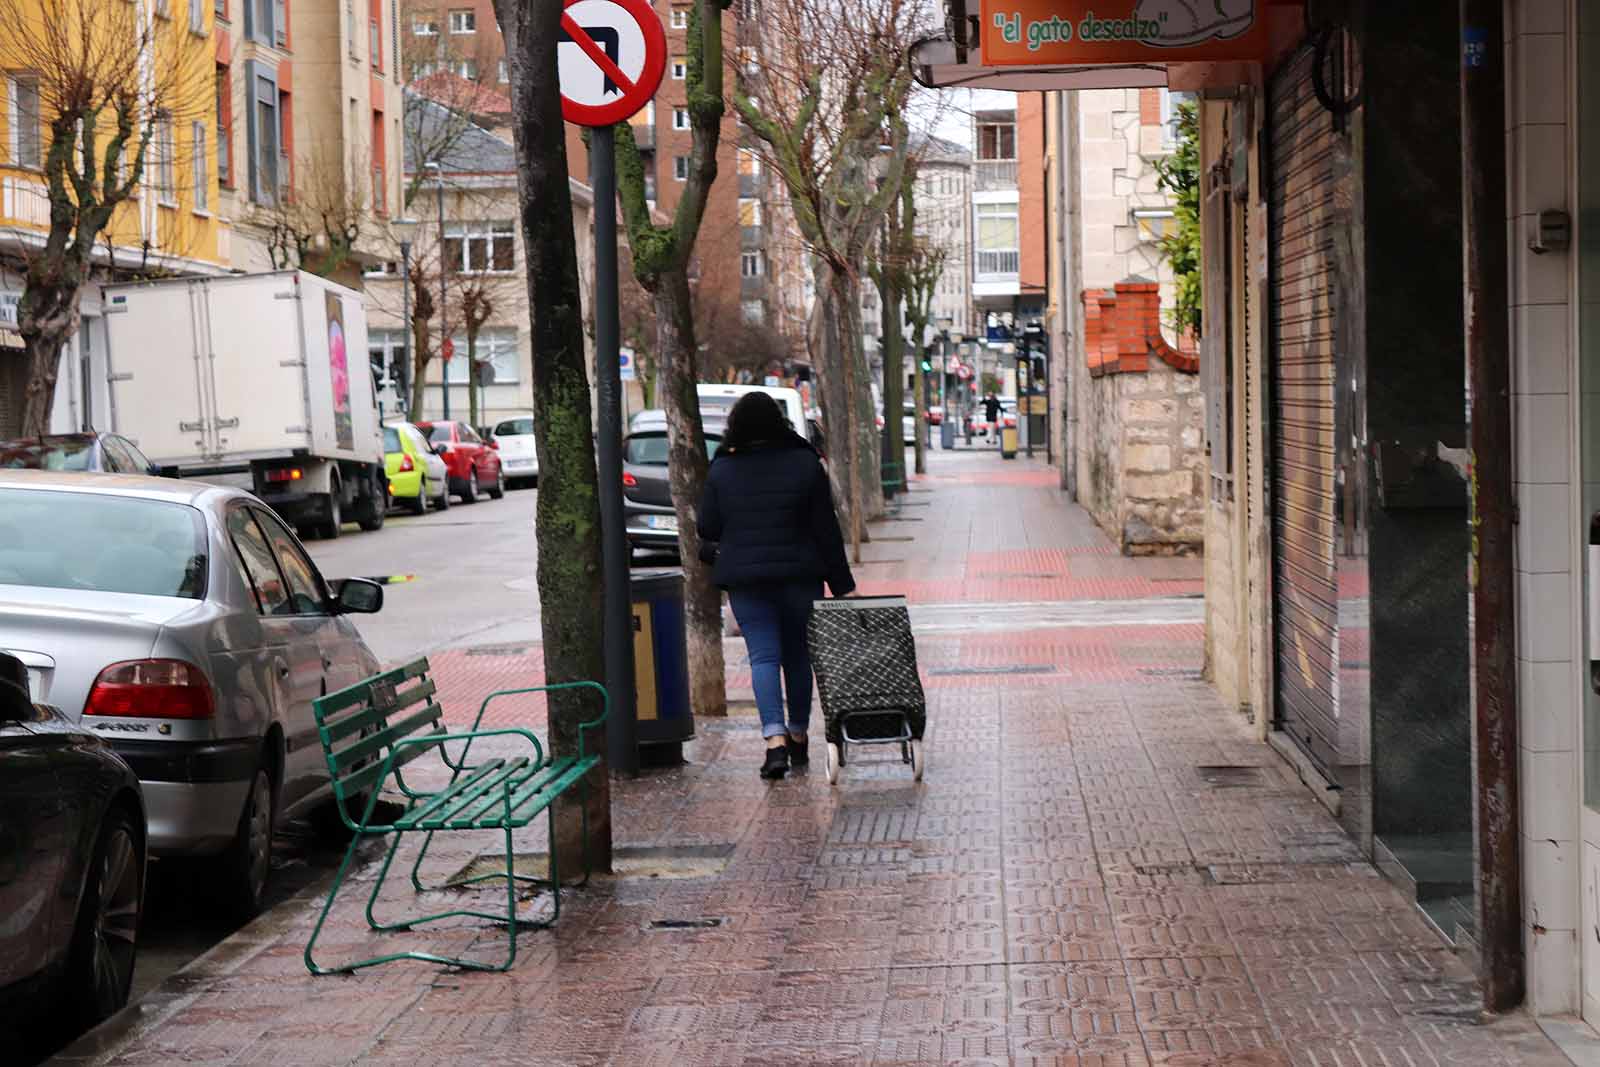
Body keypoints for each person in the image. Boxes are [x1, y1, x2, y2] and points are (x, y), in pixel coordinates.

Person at [697, 392, 856, 780]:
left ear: (736, 425)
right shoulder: (804, 463)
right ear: (778, 422)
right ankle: (799, 733)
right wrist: (842, 584)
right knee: (798, 657)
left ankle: (774, 743)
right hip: (801, 576)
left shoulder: (723, 468)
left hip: (748, 581)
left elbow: (708, 527)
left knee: (763, 658)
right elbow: (826, 529)